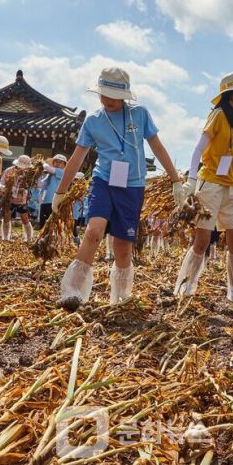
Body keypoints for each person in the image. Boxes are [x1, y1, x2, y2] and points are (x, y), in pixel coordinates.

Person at [52, 67, 184, 309]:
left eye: (114, 95)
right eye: (104, 94)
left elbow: (157, 147)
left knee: (122, 246)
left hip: (132, 186)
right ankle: (72, 292)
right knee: (93, 232)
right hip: (103, 181)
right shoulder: (93, 121)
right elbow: (77, 158)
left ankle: (121, 298)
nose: (108, 100)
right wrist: (61, 191)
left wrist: (176, 180)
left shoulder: (140, 114)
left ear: (125, 95)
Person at [173, 72, 233, 306]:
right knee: (201, 241)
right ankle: (186, 287)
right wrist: (191, 181)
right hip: (210, 182)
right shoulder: (217, 116)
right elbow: (197, 150)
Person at [0, 155, 35, 242]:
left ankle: (29, 238)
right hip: (9, 199)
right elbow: (1, 183)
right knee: (7, 217)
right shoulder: (9, 171)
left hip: (22, 200)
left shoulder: (30, 174)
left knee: (25, 218)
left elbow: (36, 185)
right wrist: (4, 189)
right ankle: (5, 237)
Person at [39, 154, 68, 228]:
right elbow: (41, 185)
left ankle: (50, 238)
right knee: (43, 222)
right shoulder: (49, 174)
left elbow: (48, 168)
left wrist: (43, 163)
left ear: (64, 165)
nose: (58, 164)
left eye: (60, 162)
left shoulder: (62, 172)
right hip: (45, 201)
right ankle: (43, 238)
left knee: (52, 222)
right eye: (56, 162)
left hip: (55, 201)